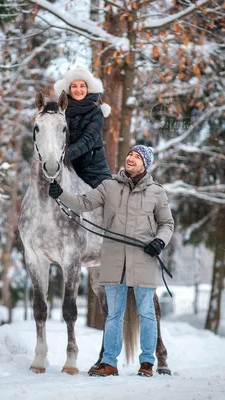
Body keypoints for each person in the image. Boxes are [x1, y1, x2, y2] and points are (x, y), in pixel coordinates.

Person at [49, 145, 174, 377]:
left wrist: (159, 241)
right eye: (129, 154)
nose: (130, 158)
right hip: (114, 258)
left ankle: (147, 362)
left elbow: (167, 224)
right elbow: (83, 203)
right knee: (114, 314)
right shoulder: (109, 186)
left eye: (137, 156)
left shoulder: (157, 192)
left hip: (143, 258)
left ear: (145, 164)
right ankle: (109, 362)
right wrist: (61, 194)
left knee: (146, 312)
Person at [54, 66, 112, 188]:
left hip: (94, 171)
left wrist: (63, 156)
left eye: (82, 86)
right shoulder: (61, 112)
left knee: (110, 200)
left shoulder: (96, 112)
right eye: (74, 86)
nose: (78, 90)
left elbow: (87, 140)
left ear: (88, 88)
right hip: (67, 170)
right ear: (69, 89)